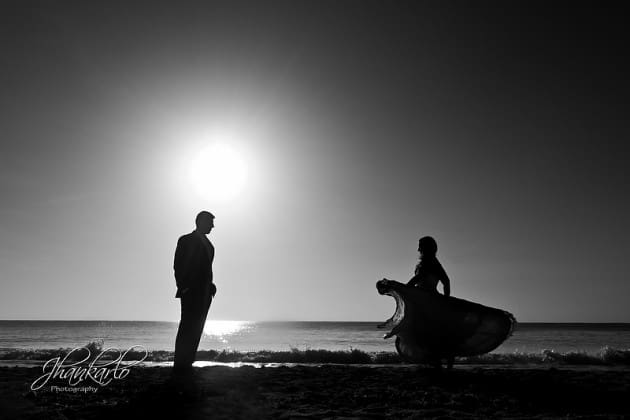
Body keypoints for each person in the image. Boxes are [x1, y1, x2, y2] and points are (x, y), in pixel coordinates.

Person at [172, 211, 217, 377]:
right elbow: (178, 264)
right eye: (210, 222)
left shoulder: (210, 245)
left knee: (197, 327)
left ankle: (188, 362)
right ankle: (180, 364)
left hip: (205, 293)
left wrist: (211, 286)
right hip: (190, 291)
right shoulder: (186, 240)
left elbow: (206, 269)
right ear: (201, 222)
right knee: (187, 327)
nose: (213, 226)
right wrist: (183, 287)